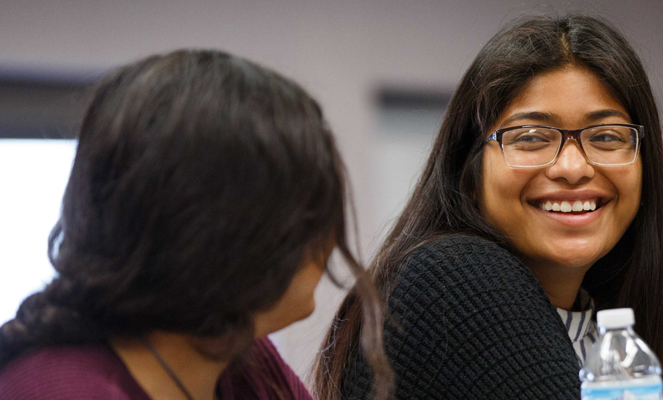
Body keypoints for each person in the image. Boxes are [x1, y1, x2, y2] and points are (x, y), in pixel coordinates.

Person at [314, 15, 663, 400]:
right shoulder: (454, 279)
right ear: (470, 166)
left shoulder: (603, 328)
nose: (573, 168)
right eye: (531, 138)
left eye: (605, 136)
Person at [0, 50, 390, 400]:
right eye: (310, 213)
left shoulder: (242, 358)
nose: (329, 239)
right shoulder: (56, 389)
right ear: (226, 231)